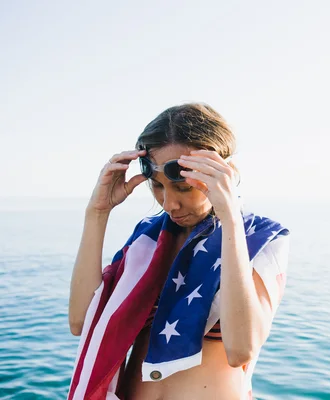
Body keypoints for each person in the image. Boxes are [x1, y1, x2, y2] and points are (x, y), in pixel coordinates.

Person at [67, 103, 291, 400]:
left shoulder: (259, 240)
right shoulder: (145, 243)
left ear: (225, 173)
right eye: (157, 187)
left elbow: (241, 349)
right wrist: (97, 213)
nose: (169, 203)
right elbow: (81, 322)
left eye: (183, 188)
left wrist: (230, 218)